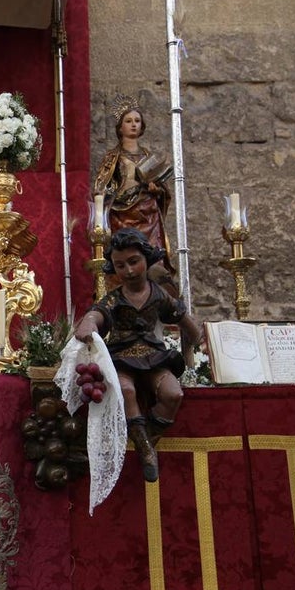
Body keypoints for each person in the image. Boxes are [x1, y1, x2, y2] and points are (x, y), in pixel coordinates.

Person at [73, 228, 201, 482]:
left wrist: (196, 334)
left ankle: (145, 440)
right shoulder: (115, 299)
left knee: (173, 393)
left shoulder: (159, 295)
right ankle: (146, 450)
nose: (129, 271)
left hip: (154, 357)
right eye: (120, 266)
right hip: (122, 357)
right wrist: (89, 322)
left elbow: (184, 319)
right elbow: (97, 313)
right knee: (126, 390)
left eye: (134, 262)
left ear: (147, 259)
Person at [92, 96, 175, 286]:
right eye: (128, 121)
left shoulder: (148, 157)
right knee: (125, 254)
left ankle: (155, 289)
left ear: (142, 126)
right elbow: (101, 187)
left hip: (149, 215)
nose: (133, 125)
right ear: (120, 127)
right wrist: (112, 196)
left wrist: (157, 189)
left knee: (152, 257)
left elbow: (163, 190)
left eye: (137, 121)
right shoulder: (113, 158)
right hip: (122, 215)